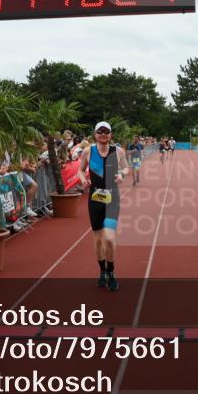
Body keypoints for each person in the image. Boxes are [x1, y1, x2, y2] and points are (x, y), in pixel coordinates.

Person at [79, 121, 129, 292]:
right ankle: (102, 271)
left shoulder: (118, 151)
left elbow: (126, 168)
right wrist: (83, 179)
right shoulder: (88, 151)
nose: (103, 134)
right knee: (98, 239)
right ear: (95, 134)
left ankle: (111, 272)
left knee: (109, 238)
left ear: (111, 134)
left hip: (112, 198)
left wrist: (122, 174)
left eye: (106, 132)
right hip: (94, 198)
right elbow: (80, 170)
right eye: (100, 132)